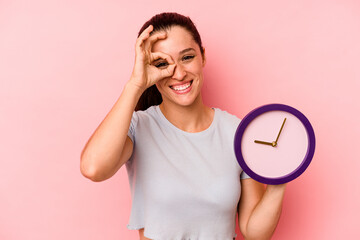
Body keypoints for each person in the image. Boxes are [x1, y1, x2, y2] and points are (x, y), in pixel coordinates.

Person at [80, 12, 286, 240]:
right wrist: (136, 84)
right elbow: (93, 168)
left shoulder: (236, 133)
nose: (178, 73)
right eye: (161, 63)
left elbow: (254, 232)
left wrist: (280, 180)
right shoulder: (138, 127)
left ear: (202, 56)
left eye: (187, 57)